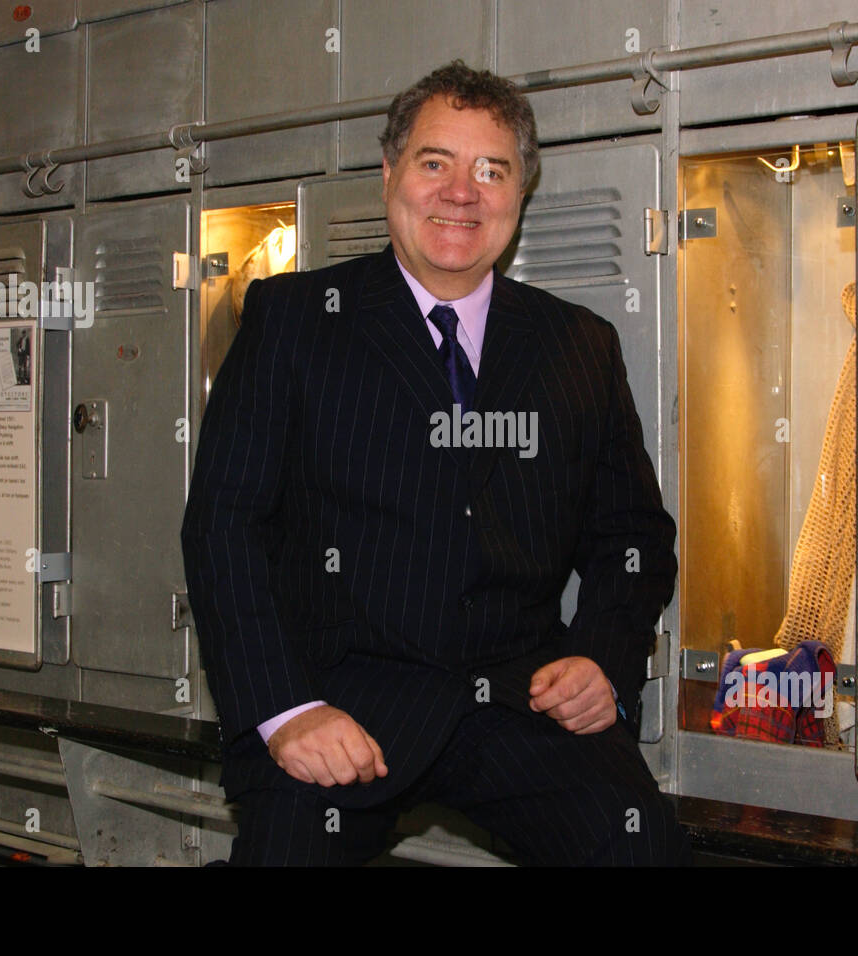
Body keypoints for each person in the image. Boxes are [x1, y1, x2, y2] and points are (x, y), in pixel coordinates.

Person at [181, 61, 689, 866]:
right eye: (435, 163)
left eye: (492, 170)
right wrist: (284, 711)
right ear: (390, 177)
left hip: (519, 700)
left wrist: (602, 657)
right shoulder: (296, 321)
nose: (463, 192)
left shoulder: (577, 346)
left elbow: (632, 533)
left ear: (520, 193)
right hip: (339, 694)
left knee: (640, 850)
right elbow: (223, 527)